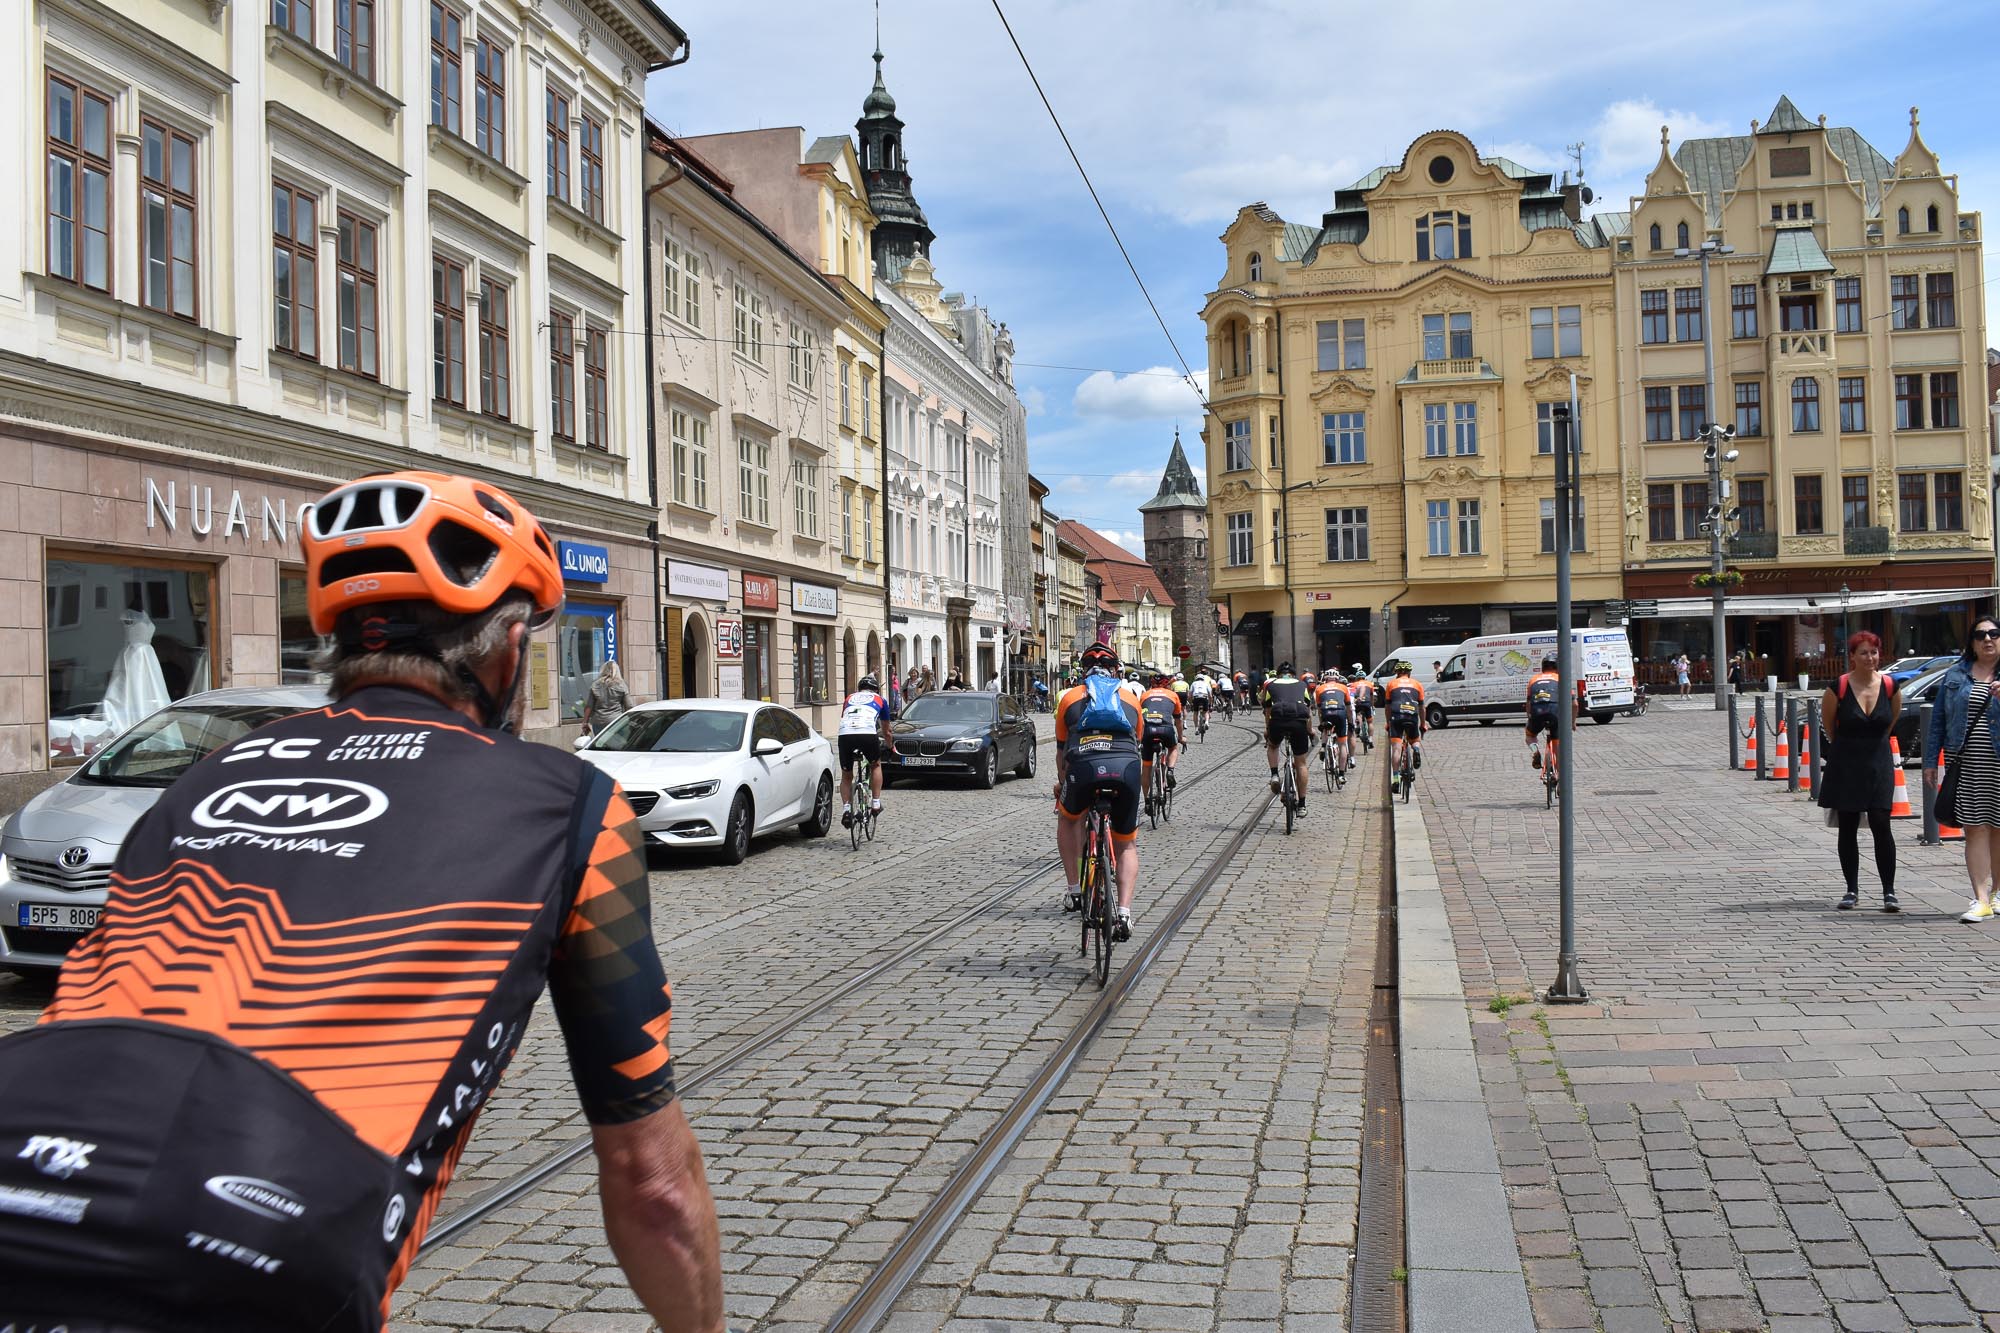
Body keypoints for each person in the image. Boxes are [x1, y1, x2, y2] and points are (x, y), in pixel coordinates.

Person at [0, 471, 724, 1332]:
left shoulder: (206, 776)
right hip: (254, 1229)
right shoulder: (568, 804)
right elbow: (653, 1182)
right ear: (508, 650)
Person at [1053, 643, 1144, 940]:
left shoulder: (1069, 698)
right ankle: (1125, 913)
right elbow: (1137, 741)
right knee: (1126, 844)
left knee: (1068, 818)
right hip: (1125, 768)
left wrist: (1062, 784)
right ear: (1115, 671)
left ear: (1083, 672)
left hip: (1083, 768)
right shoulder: (1130, 698)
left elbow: (1061, 753)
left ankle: (1074, 891)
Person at [1924, 615, 2000, 923]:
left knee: (1999, 828)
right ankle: (1981, 899)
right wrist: (1930, 761)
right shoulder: (1956, 674)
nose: (1987, 639)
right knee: (1975, 828)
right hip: (1967, 764)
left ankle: (1997, 893)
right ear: (1971, 643)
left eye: (1994, 633)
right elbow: (1939, 720)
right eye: (1980, 635)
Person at [1818, 632, 1899, 912]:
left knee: (1881, 822)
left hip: (1879, 761)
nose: (1870, 658)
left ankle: (1889, 891)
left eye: (1874, 652)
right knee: (1848, 824)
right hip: (1846, 762)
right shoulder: (1838, 687)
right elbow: (1830, 726)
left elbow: (1890, 721)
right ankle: (1851, 889)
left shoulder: (1890, 685)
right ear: (1852, 656)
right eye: (1863, 652)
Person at [838, 672, 895, 827]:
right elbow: (887, 731)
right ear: (876, 690)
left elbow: (845, 717)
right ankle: (875, 803)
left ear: (859, 689)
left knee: (846, 775)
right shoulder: (880, 699)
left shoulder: (849, 698)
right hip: (867, 734)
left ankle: (846, 810)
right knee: (875, 765)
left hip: (845, 734)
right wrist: (890, 746)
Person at [1260, 662, 1313, 814]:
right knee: (1301, 763)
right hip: (1298, 722)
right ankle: (1302, 805)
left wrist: (1267, 730)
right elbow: (1308, 709)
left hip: (1278, 721)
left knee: (1273, 745)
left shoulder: (1271, 685)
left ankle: (1274, 775)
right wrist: (1310, 731)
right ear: (1293, 675)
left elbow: (1268, 710)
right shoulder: (1302, 685)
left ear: (1278, 674)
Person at [1138, 672, 1185, 809]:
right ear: (1167, 684)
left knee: (1146, 766)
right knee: (1173, 748)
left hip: (1148, 730)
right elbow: (1178, 720)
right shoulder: (1172, 695)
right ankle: (1170, 770)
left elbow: (1139, 717)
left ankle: (1147, 801)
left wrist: (1138, 738)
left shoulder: (1145, 695)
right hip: (1166, 729)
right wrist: (1181, 737)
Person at [1383, 661, 1427, 794]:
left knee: (1396, 748)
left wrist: (1388, 722)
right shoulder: (1417, 684)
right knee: (1415, 740)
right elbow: (1422, 707)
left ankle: (1396, 779)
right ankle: (1416, 750)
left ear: (1397, 673)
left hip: (1396, 716)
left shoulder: (1391, 684)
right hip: (1411, 715)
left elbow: (1387, 707)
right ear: (1409, 673)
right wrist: (1423, 724)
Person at [1524, 654, 1562, 773]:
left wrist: (1530, 717)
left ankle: (1535, 751)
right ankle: (1559, 776)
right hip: (1554, 712)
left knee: (1530, 736)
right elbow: (1574, 704)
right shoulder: (1560, 679)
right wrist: (1572, 722)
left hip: (1537, 712)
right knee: (1557, 743)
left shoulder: (1533, 680)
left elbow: (1528, 702)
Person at [1314, 671, 1354, 778]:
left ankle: (1323, 746)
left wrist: (1321, 723)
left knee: (1325, 728)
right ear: (1337, 679)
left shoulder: (1319, 688)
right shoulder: (1343, 687)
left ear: (1325, 679)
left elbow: (1319, 709)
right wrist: (1350, 722)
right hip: (1340, 712)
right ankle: (1341, 775)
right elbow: (1349, 708)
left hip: (1326, 712)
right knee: (1342, 744)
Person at [584, 657, 631, 735]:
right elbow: (629, 705)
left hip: (599, 722)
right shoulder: (621, 685)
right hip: (616, 721)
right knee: (619, 742)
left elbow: (589, 706)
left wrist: (585, 722)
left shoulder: (595, 684)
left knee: (601, 742)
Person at [1350, 664, 1375, 752]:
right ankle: (1370, 739)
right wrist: (1372, 705)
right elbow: (1372, 696)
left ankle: (1358, 726)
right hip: (1367, 703)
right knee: (1370, 721)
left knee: (1358, 714)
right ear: (1365, 677)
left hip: (1358, 702)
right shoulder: (1370, 684)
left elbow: (1352, 696)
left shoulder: (1354, 684)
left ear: (1357, 678)